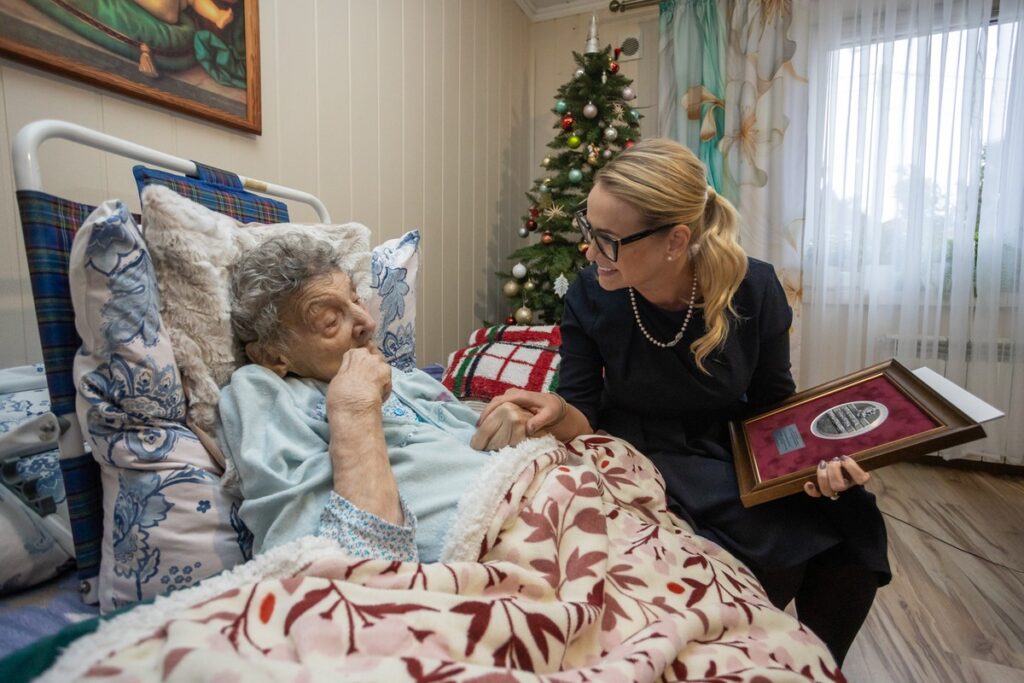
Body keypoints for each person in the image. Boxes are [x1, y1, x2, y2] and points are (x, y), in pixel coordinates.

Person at [478, 138, 889, 665]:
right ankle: (754, 655)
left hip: (736, 445)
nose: (589, 251)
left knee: (852, 516)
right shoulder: (589, 293)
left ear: (675, 241)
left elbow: (774, 405)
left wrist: (811, 463)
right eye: (588, 230)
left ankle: (809, 665)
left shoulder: (754, 287)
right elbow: (583, 408)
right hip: (645, 449)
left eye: (607, 239)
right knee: (774, 542)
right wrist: (557, 411)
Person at [217, 234, 534, 563]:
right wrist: (355, 407)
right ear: (272, 355)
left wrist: (520, 428)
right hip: (495, 547)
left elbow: (475, 449)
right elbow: (327, 564)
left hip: (542, 496)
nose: (367, 322)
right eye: (330, 321)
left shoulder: (405, 378)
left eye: (356, 299)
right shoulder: (263, 390)